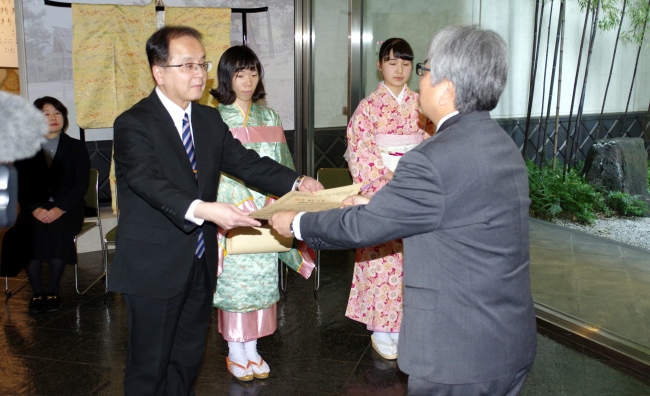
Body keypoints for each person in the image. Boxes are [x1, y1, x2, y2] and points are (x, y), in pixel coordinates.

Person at [269, 25, 537, 395]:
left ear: (446, 87)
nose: (416, 76)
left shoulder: (431, 159)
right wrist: (385, 199)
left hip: (456, 356)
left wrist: (297, 222)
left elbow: (365, 226)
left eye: (423, 68)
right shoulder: (502, 145)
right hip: (507, 340)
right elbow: (449, 206)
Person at [110, 26, 322, 395]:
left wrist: (298, 181)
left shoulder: (208, 120)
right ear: (159, 72)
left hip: (200, 261)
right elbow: (147, 180)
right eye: (187, 65)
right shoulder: (134, 123)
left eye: (202, 64)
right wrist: (205, 209)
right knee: (149, 363)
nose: (198, 73)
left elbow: (247, 163)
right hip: (154, 265)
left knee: (188, 356)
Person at [209, 45, 315, 381]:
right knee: (234, 285)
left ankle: (253, 349)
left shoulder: (270, 118)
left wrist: (286, 202)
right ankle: (235, 350)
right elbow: (213, 170)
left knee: (263, 283)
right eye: (240, 73)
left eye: (253, 72)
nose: (248, 80)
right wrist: (235, 204)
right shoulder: (212, 119)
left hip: (266, 210)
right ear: (226, 76)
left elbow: (281, 165)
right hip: (231, 213)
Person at [344, 38, 434, 360]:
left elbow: (430, 145)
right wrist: (388, 181)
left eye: (406, 63)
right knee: (381, 260)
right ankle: (381, 329)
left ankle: (406, 326)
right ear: (379, 65)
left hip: (413, 191)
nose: (399, 70)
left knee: (412, 261)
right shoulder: (367, 108)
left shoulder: (421, 104)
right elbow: (361, 152)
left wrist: (414, 179)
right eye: (392, 62)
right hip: (381, 192)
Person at [2, 96, 90, 314]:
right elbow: (20, 184)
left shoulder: (76, 147)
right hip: (35, 209)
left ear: (64, 118)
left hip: (67, 209)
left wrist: (60, 209)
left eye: (57, 113)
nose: (53, 118)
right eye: (46, 114)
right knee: (27, 233)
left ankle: (53, 291)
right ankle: (37, 292)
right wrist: (35, 209)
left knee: (58, 231)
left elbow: (80, 184)